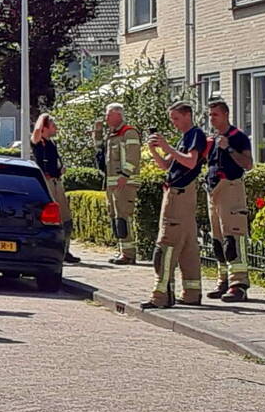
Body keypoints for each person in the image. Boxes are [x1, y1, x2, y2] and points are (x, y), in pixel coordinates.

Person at [142, 102, 207, 309]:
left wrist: (167, 146)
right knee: (188, 247)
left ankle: (161, 295)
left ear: (188, 115)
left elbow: (190, 161)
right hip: (179, 195)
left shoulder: (195, 135)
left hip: (178, 197)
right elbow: (166, 164)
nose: (174, 123)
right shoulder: (184, 138)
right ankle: (191, 292)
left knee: (166, 244)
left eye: (176, 118)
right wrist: (154, 150)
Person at [204, 100, 253, 303]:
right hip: (214, 191)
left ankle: (238, 284)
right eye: (210, 115)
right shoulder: (213, 139)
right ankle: (223, 279)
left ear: (225, 115)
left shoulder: (238, 137)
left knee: (233, 237)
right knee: (218, 240)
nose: (211, 118)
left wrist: (230, 149)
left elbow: (248, 164)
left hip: (231, 189)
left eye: (215, 114)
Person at [92, 103, 141, 265]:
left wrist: (125, 175)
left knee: (123, 217)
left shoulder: (129, 133)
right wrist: (97, 133)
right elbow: (99, 151)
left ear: (118, 115)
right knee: (115, 218)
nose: (106, 118)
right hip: (112, 184)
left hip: (124, 183)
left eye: (108, 115)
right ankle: (122, 250)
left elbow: (133, 156)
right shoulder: (112, 135)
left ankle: (128, 254)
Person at [31, 114, 79, 264]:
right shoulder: (38, 142)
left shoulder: (51, 143)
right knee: (51, 218)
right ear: (45, 127)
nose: (56, 128)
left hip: (57, 182)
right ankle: (51, 251)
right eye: (52, 125)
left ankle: (65, 250)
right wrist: (44, 117)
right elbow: (37, 131)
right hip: (47, 182)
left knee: (66, 219)